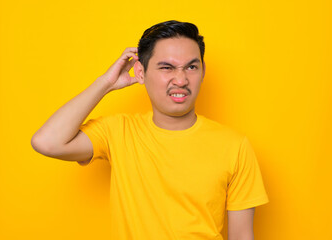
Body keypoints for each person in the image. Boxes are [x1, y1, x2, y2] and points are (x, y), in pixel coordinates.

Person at [31, 20, 269, 240]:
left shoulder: (235, 145)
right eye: (167, 67)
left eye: (191, 67)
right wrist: (105, 83)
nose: (180, 80)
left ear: (203, 71)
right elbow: (47, 142)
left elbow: (241, 236)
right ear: (141, 73)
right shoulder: (118, 132)